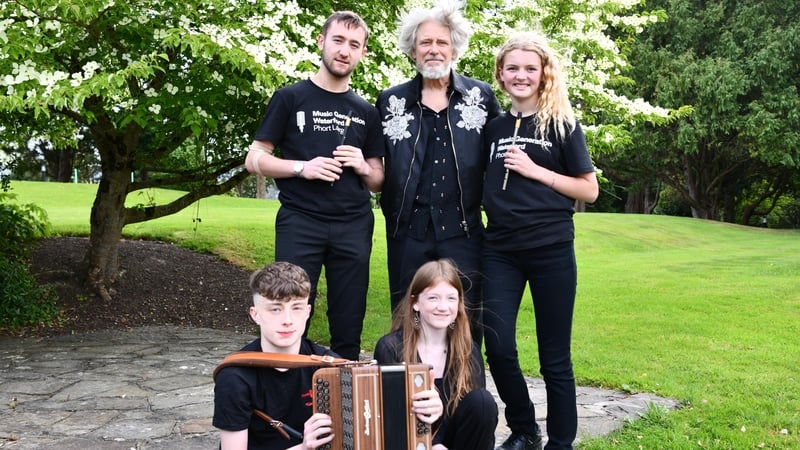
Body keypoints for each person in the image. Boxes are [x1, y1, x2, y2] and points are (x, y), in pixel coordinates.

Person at [481, 33, 600, 450]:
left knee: (555, 355)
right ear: (500, 74)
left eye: (530, 68)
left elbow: (589, 191)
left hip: (551, 248)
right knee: (496, 343)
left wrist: (536, 171)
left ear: (544, 73)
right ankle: (525, 429)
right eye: (512, 68)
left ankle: (561, 442)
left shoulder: (563, 124)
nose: (521, 75)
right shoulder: (493, 127)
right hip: (499, 250)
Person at [244, 11, 384, 361]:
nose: (344, 51)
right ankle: (290, 391)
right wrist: (301, 167)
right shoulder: (291, 97)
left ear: (362, 53)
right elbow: (255, 159)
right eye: (338, 41)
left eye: (354, 45)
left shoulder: (367, 111)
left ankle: (346, 403)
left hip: (353, 224)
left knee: (349, 320)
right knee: (288, 314)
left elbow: (378, 180)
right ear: (321, 42)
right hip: (300, 220)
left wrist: (362, 165)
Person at [375, 1, 501, 344]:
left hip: (463, 229)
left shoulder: (481, 96)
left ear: (454, 48)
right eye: (425, 42)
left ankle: (468, 396)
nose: (433, 49)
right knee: (406, 320)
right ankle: (408, 395)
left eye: (441, 42)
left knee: (466, 321)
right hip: (407, 230)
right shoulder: (390, 100)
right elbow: (376, 162)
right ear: (413, 50)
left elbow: (500, 155)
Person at [374, 259, 498, 450]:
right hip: (409, 443)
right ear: (415, 303)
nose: (443, 307)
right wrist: (432, 444)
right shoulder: (391, 348)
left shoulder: (468, 349)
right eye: (433, 298)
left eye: (451, 298)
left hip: (456, 444)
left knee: (483, 402)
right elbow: (389, 420)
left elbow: (478, 422)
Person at [212, 261, 338, 450]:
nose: (287, 321)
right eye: (275, 309)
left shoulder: (330, 366)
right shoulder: (235, 377)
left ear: (307, 312)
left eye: (296, 308)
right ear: (255, 315)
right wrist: (303, 448)